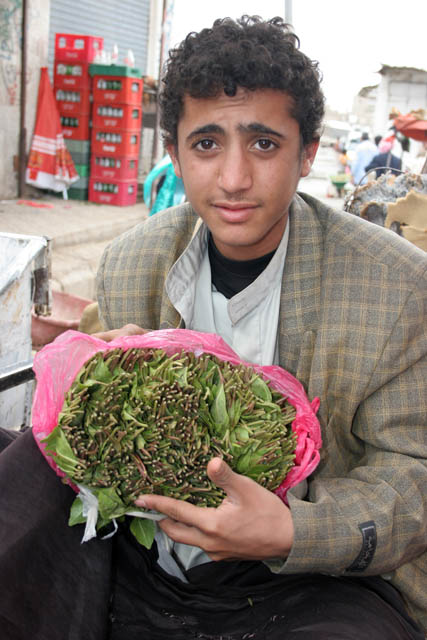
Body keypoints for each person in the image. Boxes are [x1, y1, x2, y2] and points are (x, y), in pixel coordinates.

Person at [0, 15, 426, 640]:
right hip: (145, 555)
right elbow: (84, 433)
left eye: (263, 144)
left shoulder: (393, 286)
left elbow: (413, 475)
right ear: (172, 151)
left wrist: (287, 529)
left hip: (306, 583)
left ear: (307, 151)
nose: (233, 179)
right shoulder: (133, 261)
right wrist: (89, 381)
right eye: (206, 144)